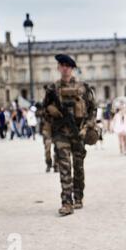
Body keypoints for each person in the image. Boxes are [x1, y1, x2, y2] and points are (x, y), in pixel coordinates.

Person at [43, 54, 97, 216]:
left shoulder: (83, 87)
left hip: (79, 132)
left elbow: (93, 110)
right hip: (61, 133)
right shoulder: (52, 89)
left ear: (72, 68)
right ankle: (67, 202)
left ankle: (78, 195)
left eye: (68, 65)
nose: (65, 68)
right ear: (59, 68)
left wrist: (86, 127)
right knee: (65, 167)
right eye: (62, 65)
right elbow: (43, 110)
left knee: (78, 167)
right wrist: (50, 111)